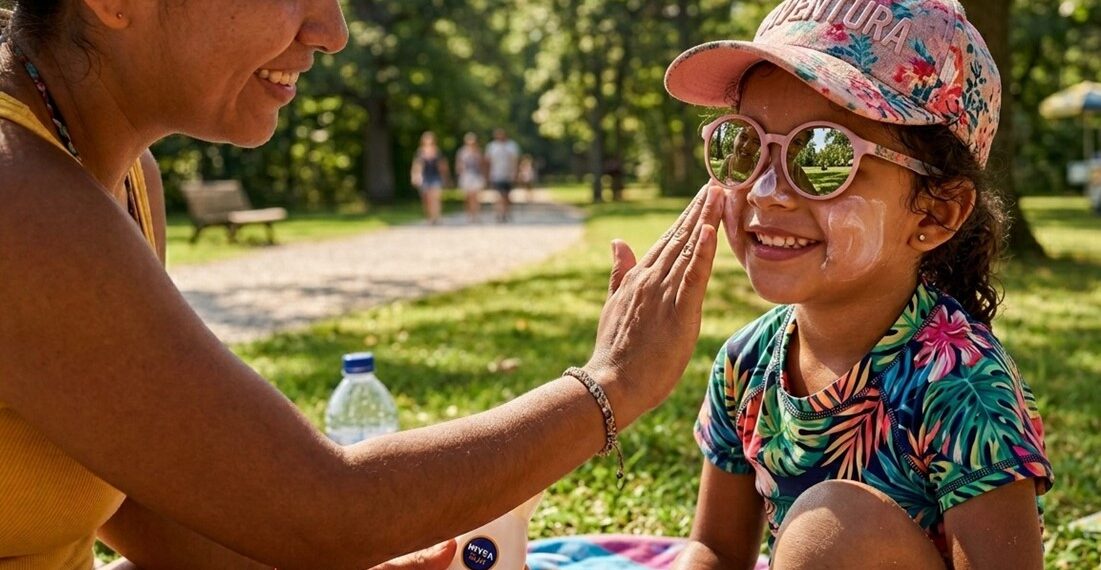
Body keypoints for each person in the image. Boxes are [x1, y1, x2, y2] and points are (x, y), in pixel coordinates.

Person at [0, 2, 725, 569]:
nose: (332, 30)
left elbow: (151, 498)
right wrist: (611, 385)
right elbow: (320, 508)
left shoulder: (124, 179)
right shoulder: (18, 196)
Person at [665, 1, 1053, 568]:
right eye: (742, 147)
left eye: (823, 154)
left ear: (933, 214)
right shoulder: (743, 365)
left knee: (830, 529)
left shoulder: (963, 385)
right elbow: (715, 549)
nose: (767, 190)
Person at [411, 131, 450, 225]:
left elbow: (443, 165)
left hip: (435, 177)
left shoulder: (437, 152)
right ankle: (429, 217)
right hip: (425, 177)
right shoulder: (420, 152)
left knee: (435, 197)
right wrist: (415, 176)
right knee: (426, 199)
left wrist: (445, 177)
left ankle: (436, 217)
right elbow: (416, 165)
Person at [485, 127, 520, 222]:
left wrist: (515, 173)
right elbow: (488, 162)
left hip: (508, 174)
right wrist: (487, 175)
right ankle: (499, 212)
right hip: (496, 174)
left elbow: (515, 160)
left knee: (506, 195)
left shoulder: (512, 146)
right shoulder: (491, 146)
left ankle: (506, 212)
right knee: (498, 195)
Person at [455, 131, 486, 223]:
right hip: (466, 176)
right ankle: (469, 214)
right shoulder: (462, 152)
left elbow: (482, 164)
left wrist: (484, 176)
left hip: (476, 176)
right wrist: (460, 174)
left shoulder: (478, 151)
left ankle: (476, 215)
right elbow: (459, 164)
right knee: (467, 197)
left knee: (476, 196)